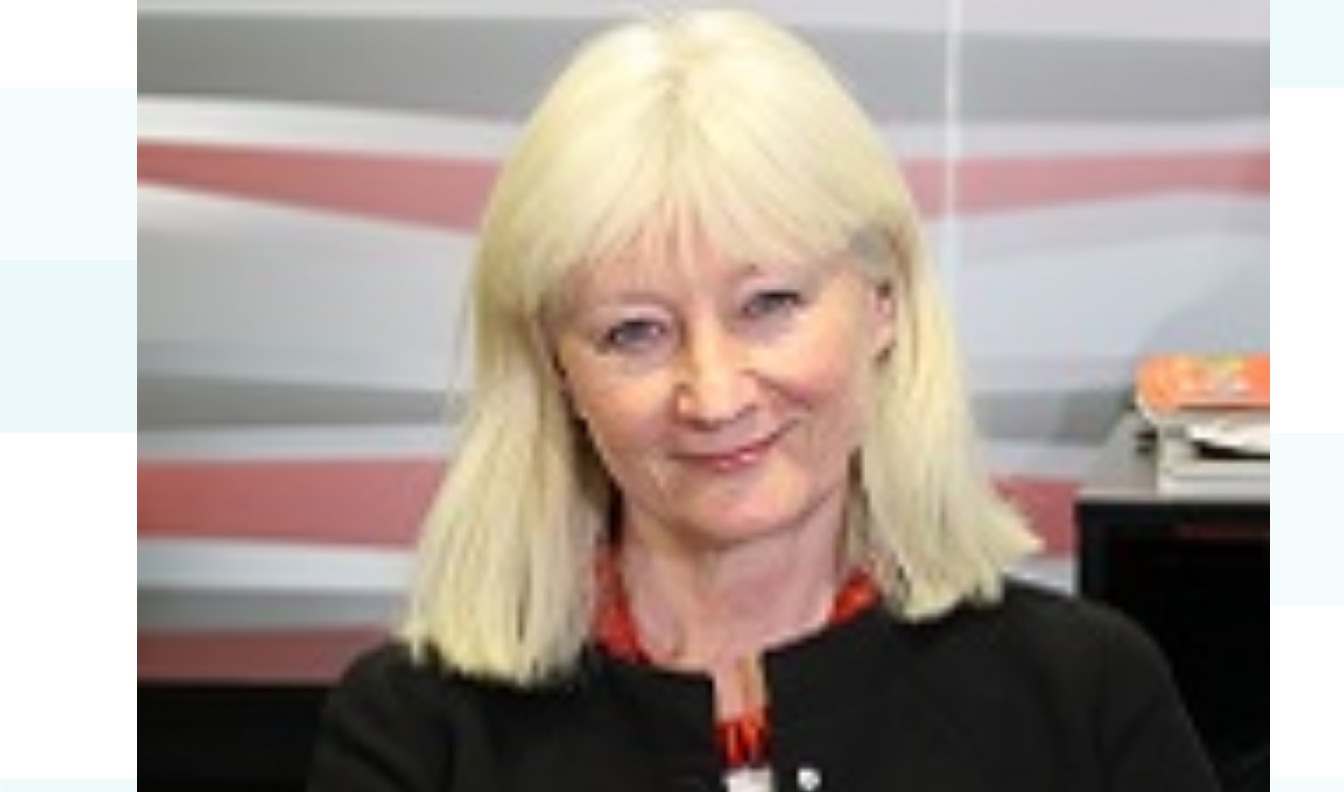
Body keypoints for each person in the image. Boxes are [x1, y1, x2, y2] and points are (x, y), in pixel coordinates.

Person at [307, 9, 1219, 791]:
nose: (713, 395)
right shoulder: (411, 735)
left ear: (883, 303)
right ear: (556, 368)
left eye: (769, 305)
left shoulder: (1086, 694)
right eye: (635, 332)